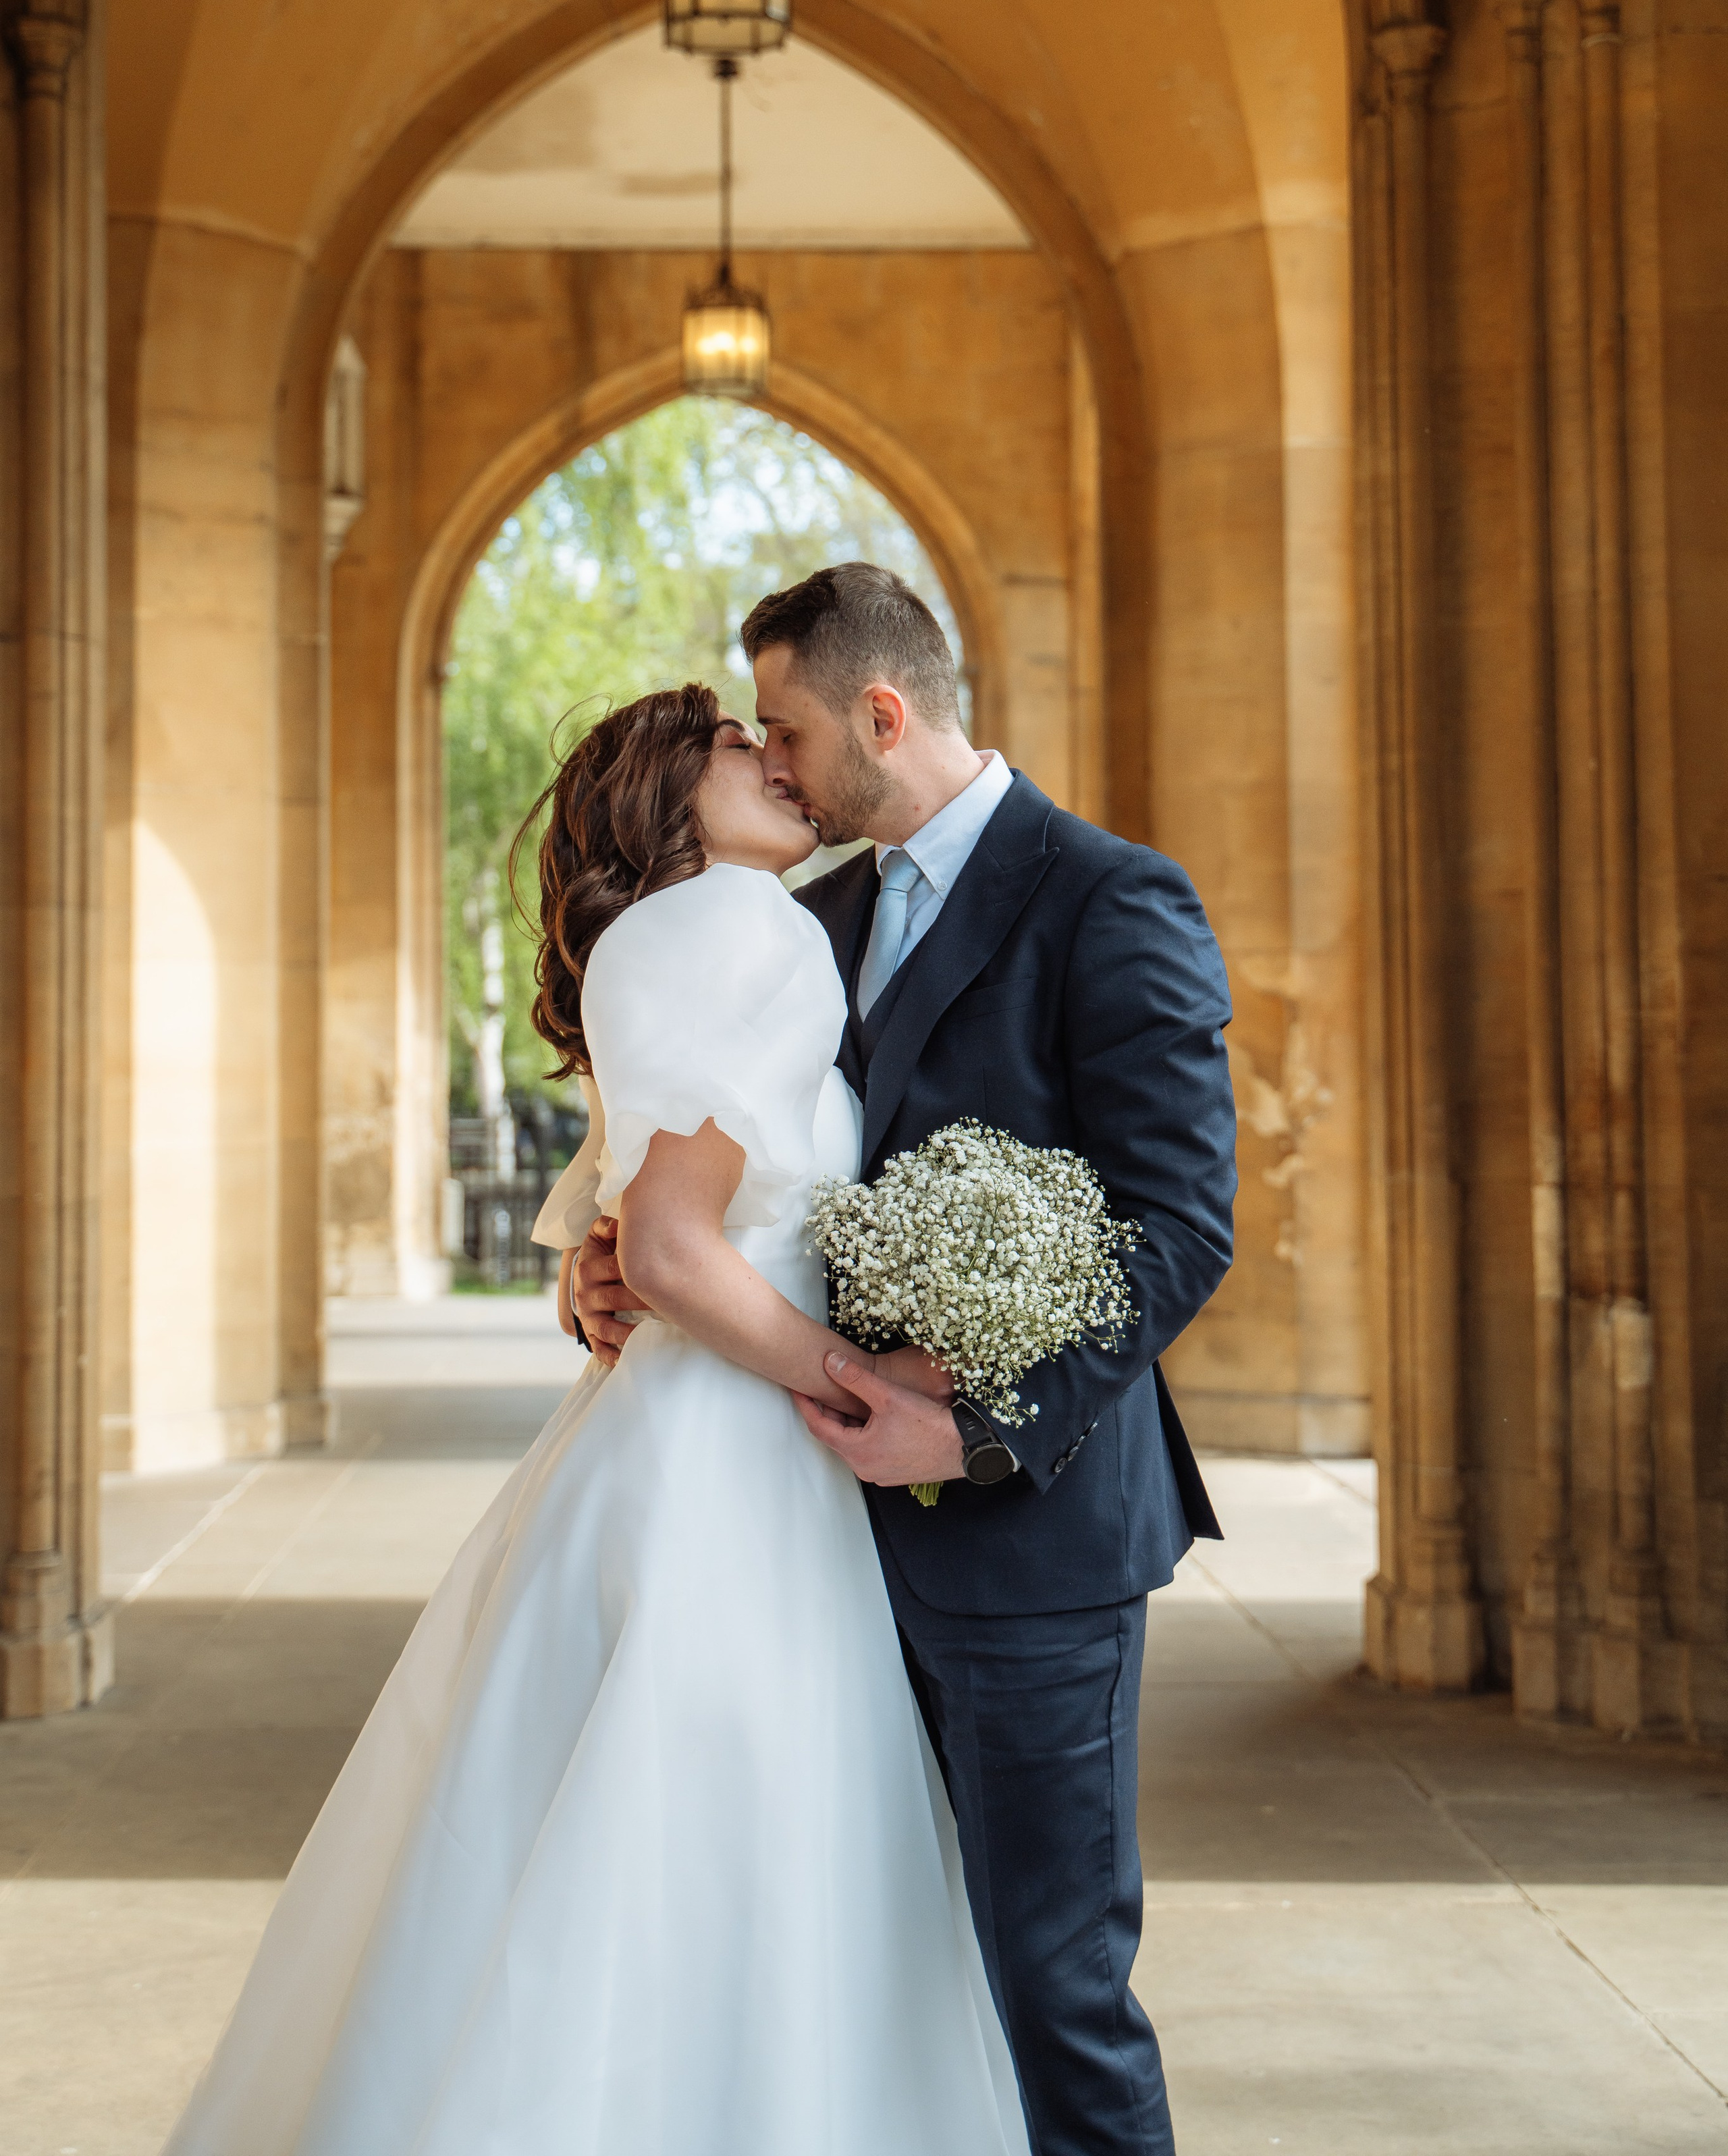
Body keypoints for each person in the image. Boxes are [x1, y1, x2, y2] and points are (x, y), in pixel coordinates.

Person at [161, 684, 1029, 2156]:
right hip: (739, 1458)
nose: (775, 758)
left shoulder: (664, 941)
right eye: (736, 744)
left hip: (668, 1438)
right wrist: (858, 1382)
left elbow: (641, 1217)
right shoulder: (743, 931)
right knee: (727, 1845)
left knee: (590, 1836)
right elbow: (682, 1253)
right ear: (663, 798)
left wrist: (605, 1258)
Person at [572, 566, 1237, 2156]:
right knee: (866, 1985)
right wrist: (615, 1279)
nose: (777, 765)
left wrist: (981, 1430)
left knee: (1048, 1982)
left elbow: (1176, 1226)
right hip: (802, 1544)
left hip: (1028, 1540)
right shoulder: (802, 919)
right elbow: (732, 1189)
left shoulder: (1107, 897)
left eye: (792, 731)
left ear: (881, 714)